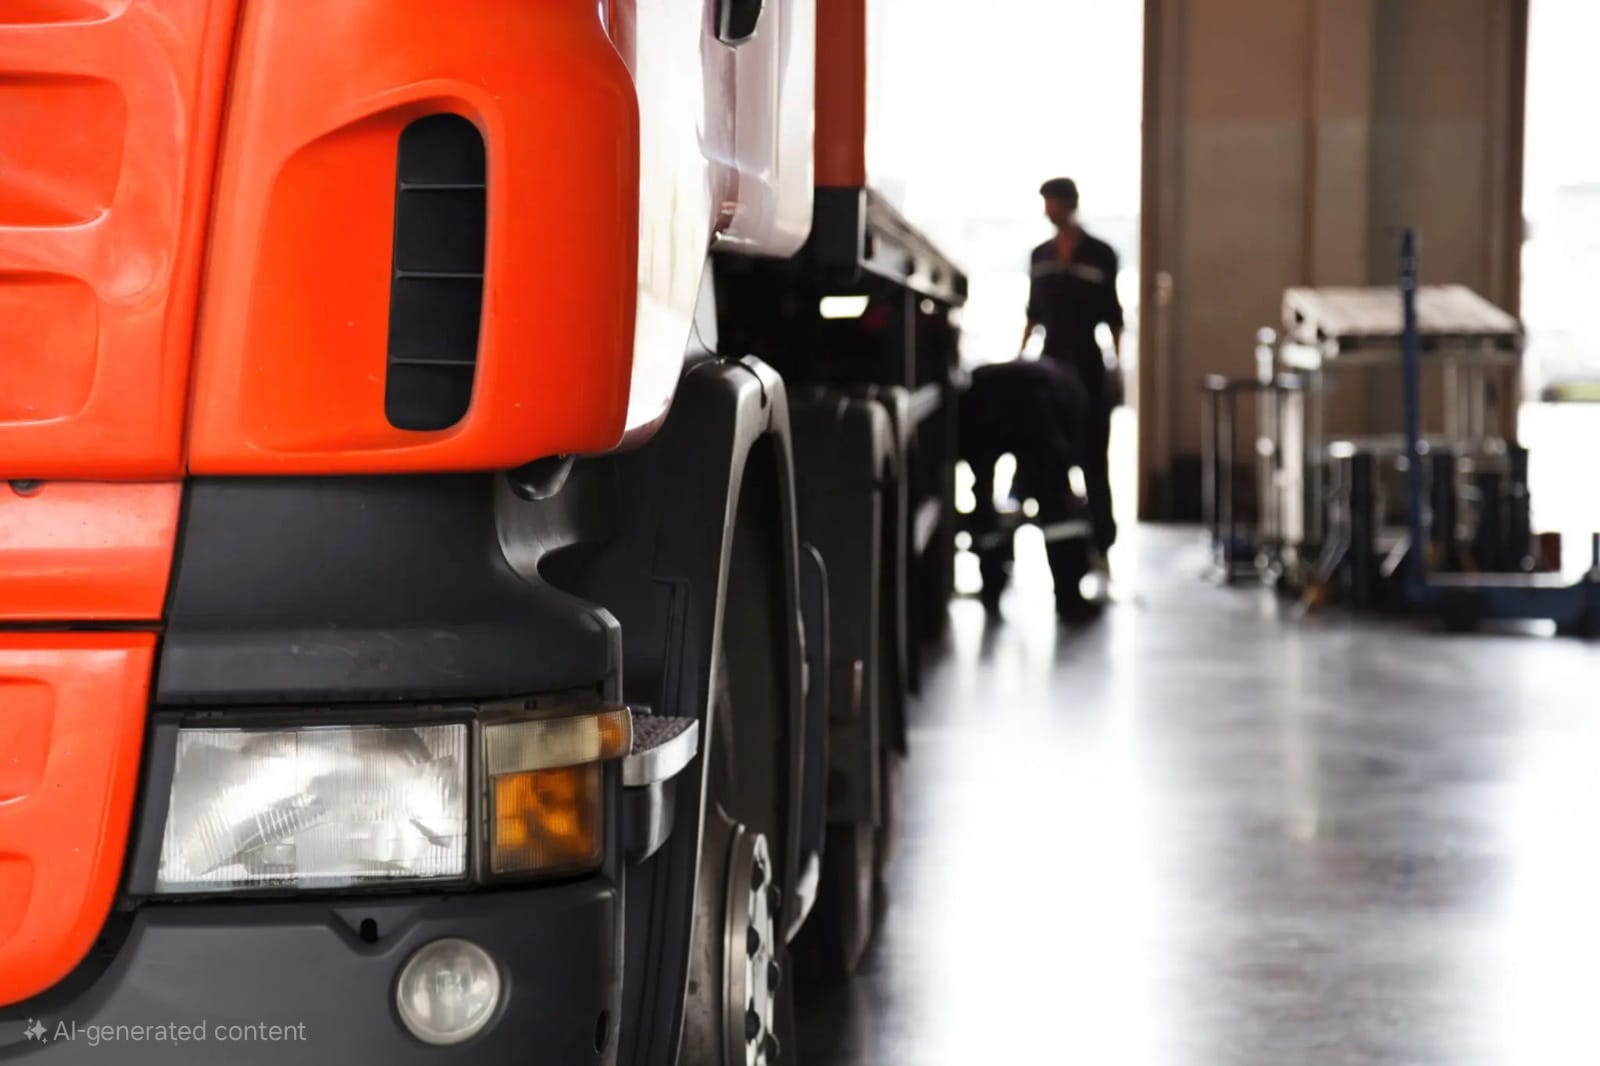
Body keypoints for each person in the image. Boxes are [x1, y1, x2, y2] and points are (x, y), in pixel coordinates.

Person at [1023, 177, 1123, 555]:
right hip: (1051, 363)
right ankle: (1063, 537)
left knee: (1095, 452)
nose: (1048, 210)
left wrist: (1114, 368)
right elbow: (1032, 314)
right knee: (1053, 451)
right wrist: (1021, 360)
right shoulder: (1040, 256)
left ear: (1069, 204)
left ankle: (1102, 538)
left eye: (1053, 202)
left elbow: (1113, 316)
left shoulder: (1101, 254)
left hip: (1087, 364)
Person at [960, 358, 1100, 621]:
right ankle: (1069, 596)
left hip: (983, 407)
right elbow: (1069, 454)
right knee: (1056, 507)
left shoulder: (1053, 378)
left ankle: (991, 584)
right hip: (1034, 410)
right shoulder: (1071, 394)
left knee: (983, 499)